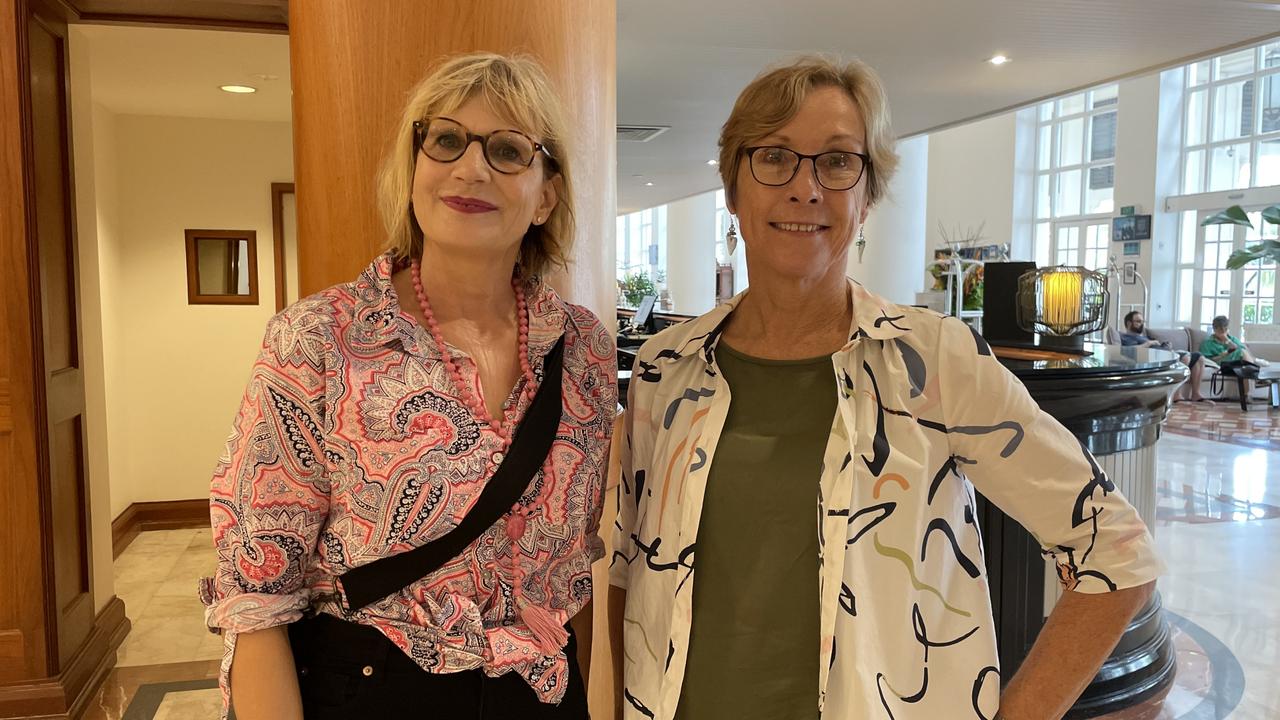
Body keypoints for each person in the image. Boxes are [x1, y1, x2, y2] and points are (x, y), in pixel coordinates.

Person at [608, 57, 1162, 720]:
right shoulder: (665, 368)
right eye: (775, 157)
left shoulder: (931, 362)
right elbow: (626, 568)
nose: (806, 188)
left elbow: (1114, 547)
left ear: (866, 197)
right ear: (732, 187)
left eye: (838, 162)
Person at [201, 53, 616, 720]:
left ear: (546, 195)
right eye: (447, 140)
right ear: (414, 167)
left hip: (539, 693)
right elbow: (258, 600)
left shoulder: (584, 348)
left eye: (507, 150)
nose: (471, 168)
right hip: (375, 689)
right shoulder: (319, 340)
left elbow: (574, 574)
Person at [1121, 310, 1210, 402]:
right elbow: (1129, 350)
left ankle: (1196, 393)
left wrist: (1166, 346)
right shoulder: (1126, 337)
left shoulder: (1144, 337)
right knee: (1185, 358)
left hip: (1166, 354)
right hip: (1155, 358)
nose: (1142, 324)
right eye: (1138, 321)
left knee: (1200, 358)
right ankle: (1176, 396)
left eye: (1142, 321)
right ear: (1129, 323)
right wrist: (1147, 344)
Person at [1200, 315, 1268, 367]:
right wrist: (1222, 355)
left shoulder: (1232, 339)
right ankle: (1255, 371)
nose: (1223, 332)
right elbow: (1207, 361)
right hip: (1221, 363)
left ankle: (1253, 366)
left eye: (1226, 329)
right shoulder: (1207, 343)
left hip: (1237, 363)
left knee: (1242, 351)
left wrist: (1228, 340)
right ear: (1214, 329)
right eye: (1220, 330)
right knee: (1241, 352)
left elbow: (1244, 350)